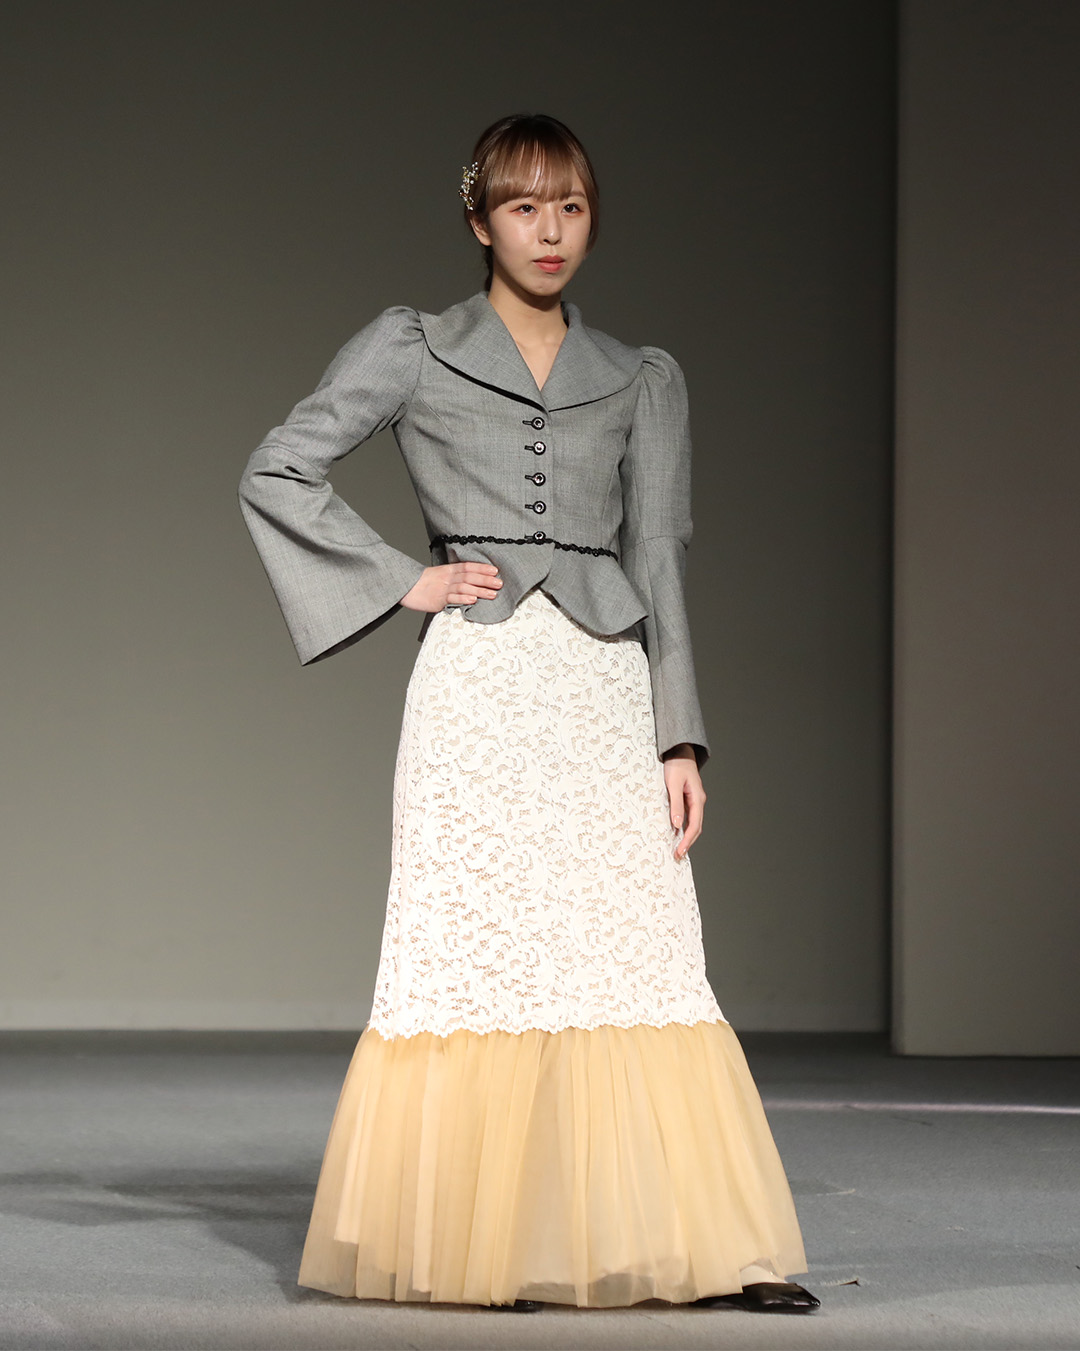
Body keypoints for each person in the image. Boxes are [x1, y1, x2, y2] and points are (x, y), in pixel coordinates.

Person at [238, 112, 819, 1315]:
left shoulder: (642, 376)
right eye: (523, 206)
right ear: (478, 220)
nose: (549, 230)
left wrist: (679, 734)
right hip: (481, 684)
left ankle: (700, 1251)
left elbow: (659, 560)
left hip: (603, 687)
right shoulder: (415, 346)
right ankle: (491, 1248)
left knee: (637, 947)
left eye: (571, 206)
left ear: (592, 219)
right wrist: (402, 579)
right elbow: (280, 465)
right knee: (482, 950)